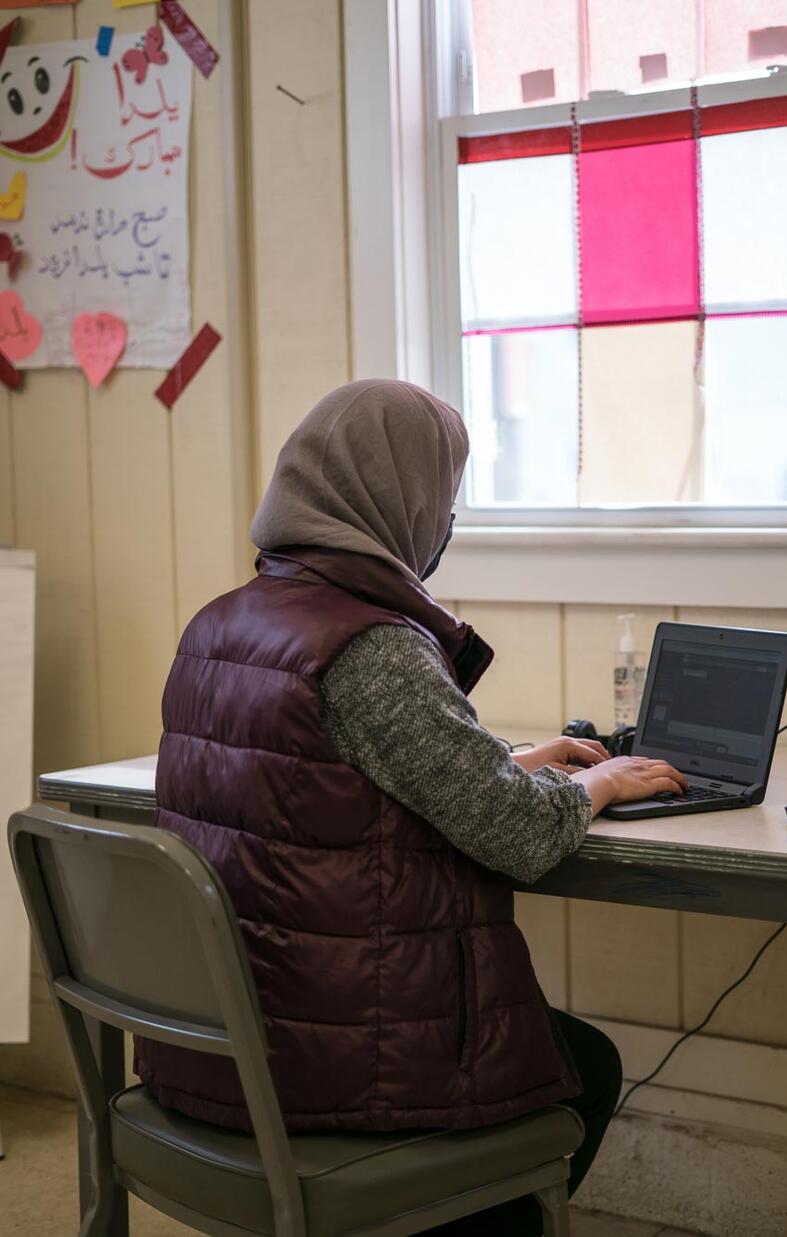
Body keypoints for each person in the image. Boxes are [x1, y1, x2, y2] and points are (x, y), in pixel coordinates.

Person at [135, 379, 687, 1235]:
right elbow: (521, 834)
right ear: (401, 501)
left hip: (224, 1044)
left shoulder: (221, 624)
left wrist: (505, 758)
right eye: (446, 499)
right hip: (342, 1062)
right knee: (586, 1067)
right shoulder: (374, 647)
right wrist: (600, 781)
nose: (448, 521)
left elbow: (325, 777)